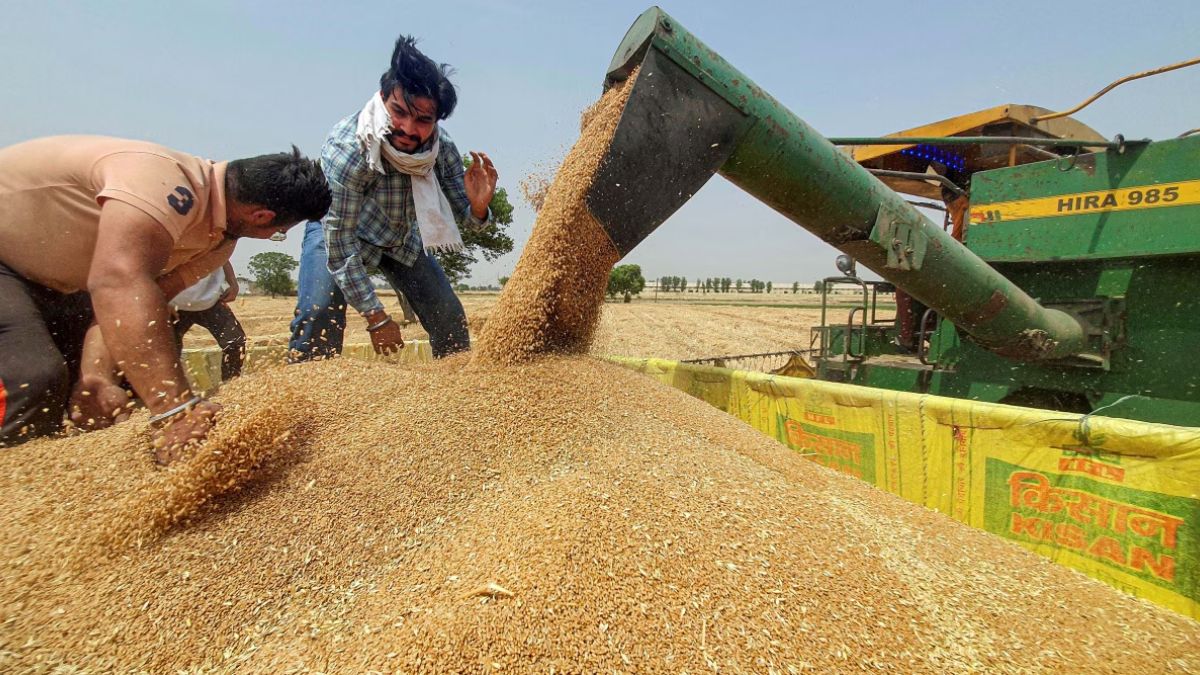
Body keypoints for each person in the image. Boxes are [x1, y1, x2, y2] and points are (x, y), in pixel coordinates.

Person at [0, 136, 330, 461]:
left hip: (66, 284)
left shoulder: (218, 243)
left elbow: (142, 302)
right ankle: (18, 480)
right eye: (279, 232)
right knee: (33, 378)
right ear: (261, 216)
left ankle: (58, 478)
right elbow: (119, 283)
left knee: (122, 382)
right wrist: (176, 410)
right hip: (9, 262)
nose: (273, 237)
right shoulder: (161, 183)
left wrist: (97, 377)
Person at [288, 35, 498, 361]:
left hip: (399, 239)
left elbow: (470, 220)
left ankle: (456, 385)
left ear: (437, 121)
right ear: (383, 97)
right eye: (399, 112)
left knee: (449, 317)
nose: (408, 129)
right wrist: (376, 316)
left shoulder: (441, 149)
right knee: (318, 313)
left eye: (423, 120)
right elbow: (340, 246)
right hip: (341, 233)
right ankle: (304, 385)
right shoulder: (350, 148)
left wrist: (480, 207)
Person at [170, 262, 247, 381]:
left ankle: (231, 385)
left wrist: (233, 284)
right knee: (167, 350)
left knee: (235, 342)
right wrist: (161, 298)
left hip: (211, 300)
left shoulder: (216, 247)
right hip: (174, 304)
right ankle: (167, 388)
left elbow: (223, 257)